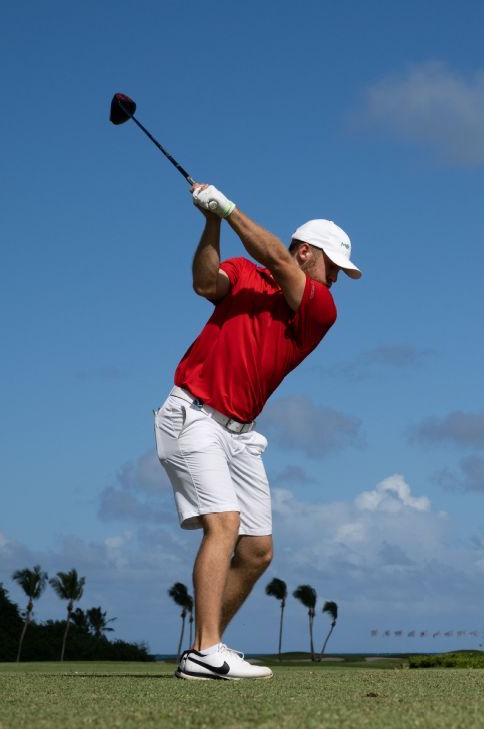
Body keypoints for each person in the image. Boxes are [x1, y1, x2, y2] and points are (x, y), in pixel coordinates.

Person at [154, 183, 361, 680]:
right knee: (224, 523)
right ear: (307, 251)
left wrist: (228, 209)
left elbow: (277, 258)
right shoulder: (247, 273)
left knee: (256, 550)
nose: (335, 279)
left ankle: (205, 647)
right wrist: (210, 221)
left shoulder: (320, 307)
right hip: (194, 413)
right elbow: (206, 284)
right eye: (332, 267)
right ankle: (206, 653)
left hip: (242, 435)